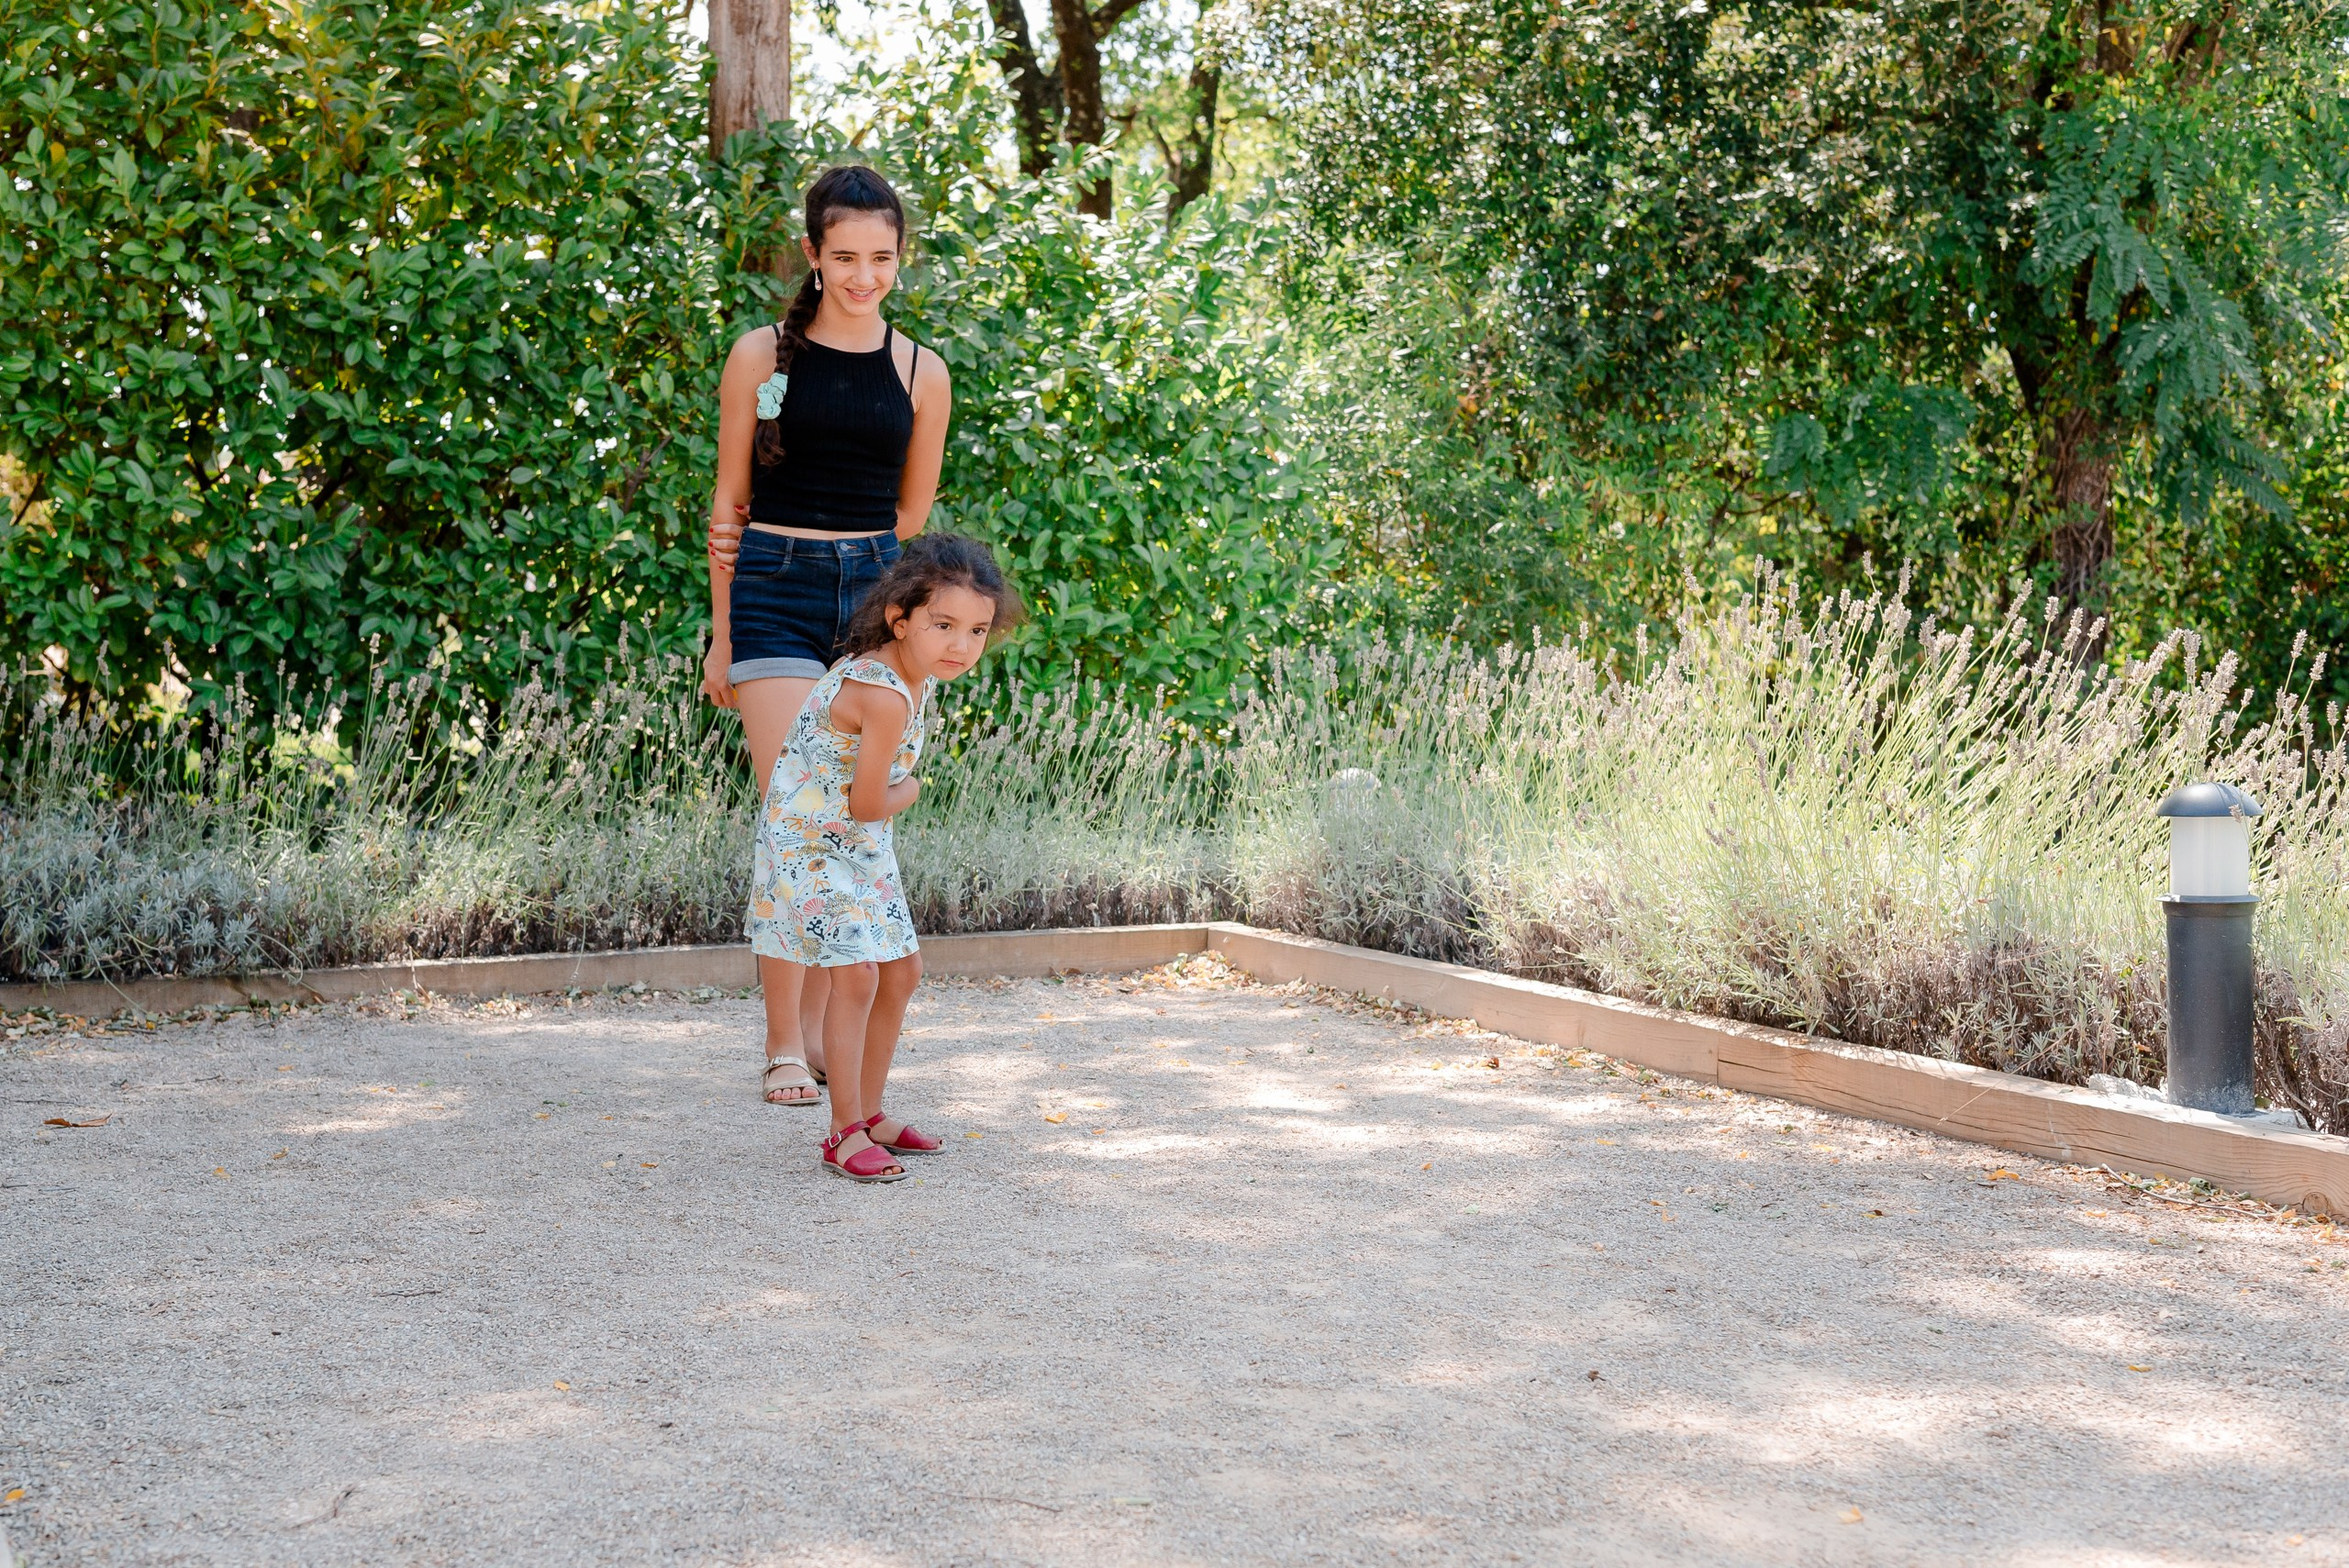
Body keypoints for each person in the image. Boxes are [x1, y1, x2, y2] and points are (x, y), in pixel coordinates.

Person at [701, 165, 952, 1109]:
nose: (862, 275)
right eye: (843, 256)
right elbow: (729, 502)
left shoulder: (922, 372)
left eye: (880, 257)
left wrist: (906, 635)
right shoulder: (762, 356)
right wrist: (724, 633)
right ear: (811, 253)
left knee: (849, 812)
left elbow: (910, 514)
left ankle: (818, 1032)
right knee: (795, 813)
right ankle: (780, 1041)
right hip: (770, 583)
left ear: (899, 256)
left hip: (869, 595)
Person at [747, 534, 1023, 1182]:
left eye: (977, 630)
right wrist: (916, 788)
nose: (962, 645)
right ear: (901, 619)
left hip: (856, 844)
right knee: (859, 974)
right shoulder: (884, 692)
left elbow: (863, 813)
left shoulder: (911, 676)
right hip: (812, 845)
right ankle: (842, 1132)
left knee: (903, 969)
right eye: (944, 625)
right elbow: (871, 799)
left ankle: (870, 1113)